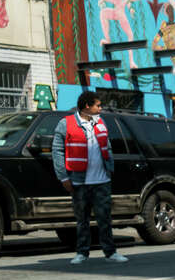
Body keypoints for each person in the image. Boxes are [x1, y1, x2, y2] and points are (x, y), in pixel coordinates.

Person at [52, 91, 127, 265]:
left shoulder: (100, 122)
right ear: (87, 106)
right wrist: (63, 177)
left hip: (101, 181)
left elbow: (106, 147)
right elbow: (57, 151)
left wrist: (110, 170)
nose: (100, 108)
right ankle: (82, 253)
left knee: (105, 219)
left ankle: (110, 253)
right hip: (79, 181)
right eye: (98, 105)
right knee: (82, 220)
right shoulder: (66, 123)